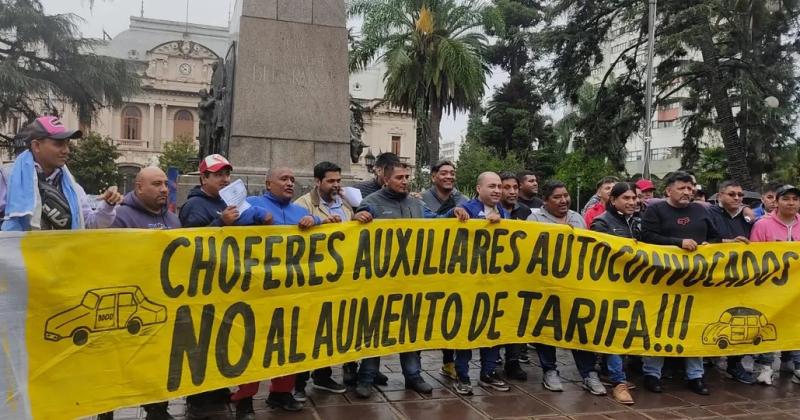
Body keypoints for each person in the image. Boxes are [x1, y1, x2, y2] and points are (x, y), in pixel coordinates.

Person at [231, 167, 336, 415]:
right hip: (259, 292)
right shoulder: (253, 203)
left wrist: (317, 220)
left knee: (290, 343)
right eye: (284, 179)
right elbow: (233, 221)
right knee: (254, 345)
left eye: (292, 179)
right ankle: (245, 399)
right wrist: (258, 216)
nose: (290, 183)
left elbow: (325, 231)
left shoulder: (300, 211)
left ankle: (281, 393)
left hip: (293, 293)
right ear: (268, 184)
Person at [352, 161, 434, 399]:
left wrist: (460, 212)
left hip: (411, 280)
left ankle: (413, 376)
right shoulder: (371, 204)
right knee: (375, 328)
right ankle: (366, 377)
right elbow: (356, 236)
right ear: (386, 179)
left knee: (409, 328)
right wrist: (359, 218)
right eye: (399, 177)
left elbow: (438, 220)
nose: (405, 181)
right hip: (380, 281)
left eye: (407, 177)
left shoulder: (416, 204)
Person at [104, 167, 177, 419]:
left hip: (162, 304)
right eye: (157, 184)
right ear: (139, 188)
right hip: (125, 306)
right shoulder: (120, 217)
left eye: (165, 184)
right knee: (116, 363)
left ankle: (157, 408)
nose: (164, 189)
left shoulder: (173, 219)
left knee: (158, 359)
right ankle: (106, 411)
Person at [640, 171, 720, 396]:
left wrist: (715, 245)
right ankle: (652, 373)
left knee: (694, 325)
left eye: (690, 188)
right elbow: (647, 238)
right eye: (682, 188)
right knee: (659, 325)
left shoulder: (700, 210)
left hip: (695, 282)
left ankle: (695, 375)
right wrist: (678, 243)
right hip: (662, 281)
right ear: (668, 190)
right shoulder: (655, 210)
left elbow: (714, 237)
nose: (688, 192)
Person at [526, 181, 607, 396]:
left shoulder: (577, 218)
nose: (563, 200)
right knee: (547, 329)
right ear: (545, 200)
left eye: (566, 195)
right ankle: (550, 371)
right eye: (557, 197)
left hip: (576, 287)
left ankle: (589, 373)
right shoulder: (534, 219)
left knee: (580, 328)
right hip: (547, 286)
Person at [446, 172, 513, 395]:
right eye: (492, 186)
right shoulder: (466, 209)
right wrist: (456, 214)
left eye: (500, 186)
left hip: (493, 284)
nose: (497, 190)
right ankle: (462, 375)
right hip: (467, 285)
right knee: (467, 330)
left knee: (492, 329)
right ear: (478, 189)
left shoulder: (503, 211)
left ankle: (488, 372)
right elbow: (443, 227)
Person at [292, 161, 349, 401]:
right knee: (305, 333)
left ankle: (323, 375)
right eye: (330, 181)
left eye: (338, 181)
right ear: (317, 182)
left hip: (338, 280)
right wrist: (320, 224)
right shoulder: (302, 204)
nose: (336, 185)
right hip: (311, 281)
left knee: (330, 331)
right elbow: (295, 235)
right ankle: (298, 382)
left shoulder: (346, 205)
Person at [2, 116, 121, 231]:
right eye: (58, 144)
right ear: (36, 146)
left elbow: (89, 224)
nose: (66, 150)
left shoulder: (72, 188)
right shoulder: (7, 178)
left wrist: (108, 206)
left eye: (67, 143)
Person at [590, 182, 641, 405]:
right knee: (614, 334)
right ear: (613, 200)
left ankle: (615, 373)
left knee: (627, 332)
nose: (632, 202)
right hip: (610, 288)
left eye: (634, 198)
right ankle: (618, 382)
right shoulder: (601, 223)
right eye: (626, 198)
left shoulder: (638, 222)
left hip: (635, 287)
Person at [420, 160, 468, 381]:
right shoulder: (420, 200)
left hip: (455, 265)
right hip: (428, 265)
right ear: (433, 176)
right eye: (444, 173)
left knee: (453, 313)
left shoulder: (463, 201)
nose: (449, 176)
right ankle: (414, 370)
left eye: (452, 173)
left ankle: (450, 361)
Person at [749, 184, 800, 386]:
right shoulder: (762, 225)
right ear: (776, 202)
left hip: (796, 290)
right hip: (768, 288)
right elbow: (753, 257)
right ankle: (765, 366)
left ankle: (796, 365)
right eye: (786, 198)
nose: (791, 203)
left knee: (796, 324)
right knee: (767, 325)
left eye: (795, 199)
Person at [497, 172, 532, 373]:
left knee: (516, 318)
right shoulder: (490, 211)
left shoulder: (526, 212)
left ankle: (513, 361)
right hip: (496, 275)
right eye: (506, 187)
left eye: (515, 188)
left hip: (519, 275)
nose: (511, 192)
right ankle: (492, 362)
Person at [178, 154, 239, 227]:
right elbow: (193, 236)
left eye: (227, 174)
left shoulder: (227, 201)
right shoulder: (194, 206)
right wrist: (221, 222)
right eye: (219, 174)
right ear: (204, 178)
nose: (226, 179)